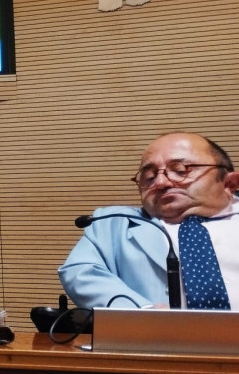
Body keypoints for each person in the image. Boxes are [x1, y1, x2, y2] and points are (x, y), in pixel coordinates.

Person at [60, 132, 239, 309]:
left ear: (229, 183)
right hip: (151, 336)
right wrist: (143, 314)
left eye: (180, 170)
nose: (161, 182)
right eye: (149, 177)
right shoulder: (112, 223)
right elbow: (80, 272)